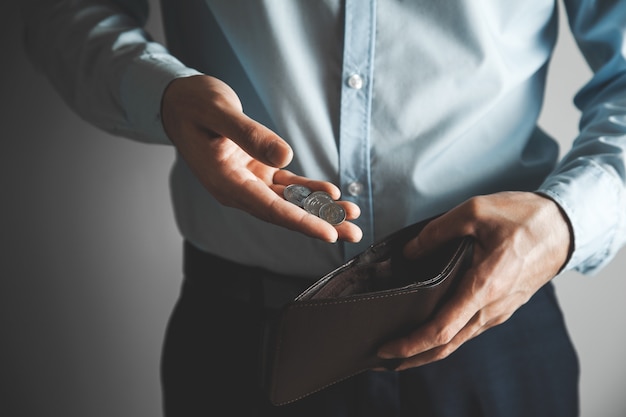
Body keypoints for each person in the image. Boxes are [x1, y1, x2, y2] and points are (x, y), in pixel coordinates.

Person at [21, 0, 626, 416]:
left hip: (491, 325)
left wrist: (565, 220)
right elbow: (64, 13)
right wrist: (162, 93)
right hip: (245, 340)